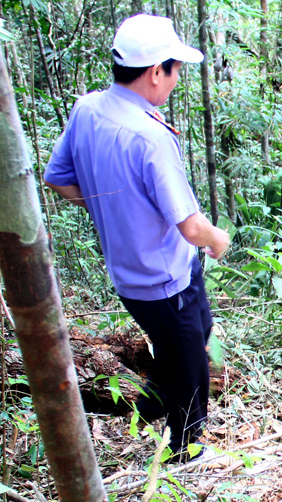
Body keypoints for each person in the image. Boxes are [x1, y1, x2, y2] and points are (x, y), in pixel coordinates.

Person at [43, 13, 230, 462]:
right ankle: (187, 449)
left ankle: (150, 400)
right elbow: (189, 225)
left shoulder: (88, 108)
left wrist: (112, 206)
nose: (177, 78)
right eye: (175, 69)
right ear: (154, 72)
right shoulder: (150, 136)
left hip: (134, 277)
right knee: (190, 365)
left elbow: (58, 179)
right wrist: (216, 237)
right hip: (163, 280)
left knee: (195, 331)